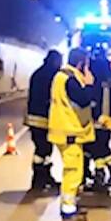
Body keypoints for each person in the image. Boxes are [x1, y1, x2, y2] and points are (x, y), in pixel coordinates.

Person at [48, 48, 96, 220]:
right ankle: (68, 209)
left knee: (73, 169)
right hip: (70, 132)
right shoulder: (70, 79)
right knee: (73, 171)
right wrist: (90, 84)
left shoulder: (61, 76)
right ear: (81, 63)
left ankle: (69, 204)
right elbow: (83, 101)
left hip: (63, 130)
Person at [85, 50, 111, 190]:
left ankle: (106, 176)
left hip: (98, 121)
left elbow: (91, 100)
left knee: (98, 150)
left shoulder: (96, 79)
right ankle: (108, 175)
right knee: (102, 148)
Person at [25, 50, 63, 191]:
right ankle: (39, 180)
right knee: (43, 150)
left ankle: (43, 178)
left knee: (43, 150)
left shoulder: (37, 73)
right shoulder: (52, 76)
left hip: (34, 118)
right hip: (44, 119)